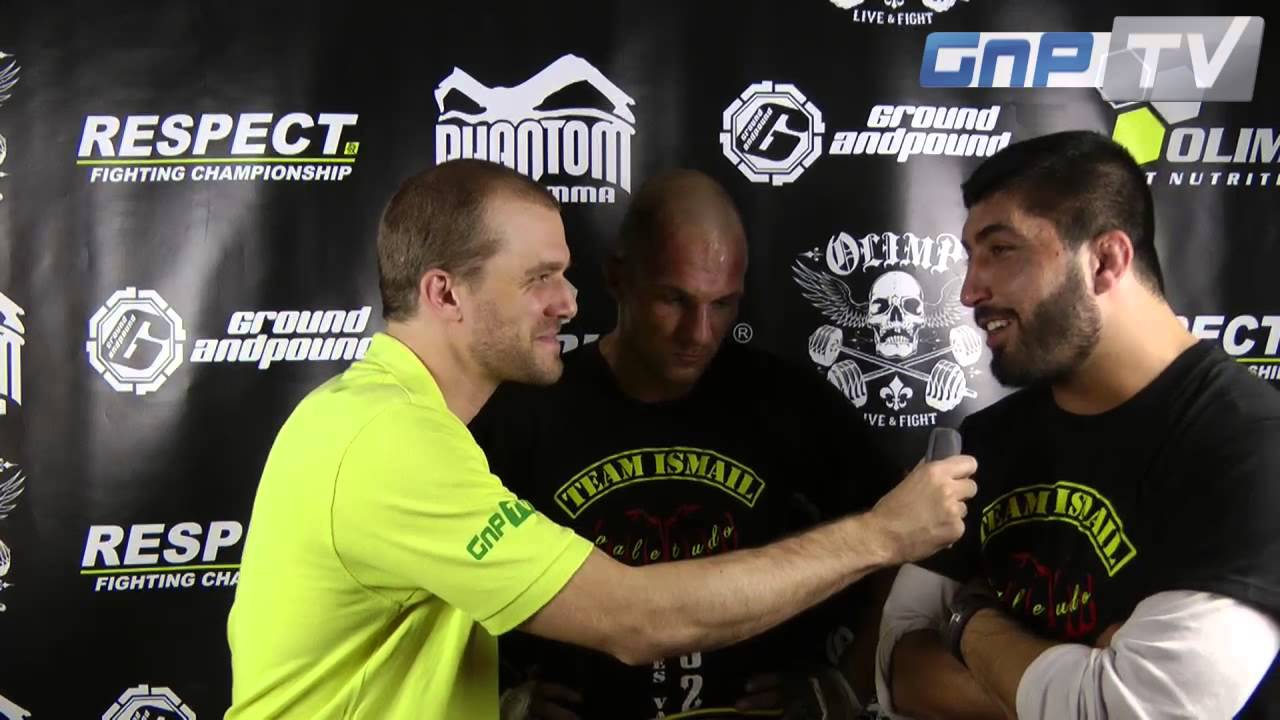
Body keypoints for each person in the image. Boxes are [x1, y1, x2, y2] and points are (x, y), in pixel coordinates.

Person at [224, 158, 977, 719]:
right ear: (445, 293)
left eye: (565, 274)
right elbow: (637, 618)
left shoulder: (393, 421)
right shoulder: (388, 440)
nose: (568, 300)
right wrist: (881, 534)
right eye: (539, 278)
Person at [874, 130, 1280, 719]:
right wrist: (1070, 682)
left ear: (1106, 261)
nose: (968, 290)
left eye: (1002, 249)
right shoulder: (984, 441)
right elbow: (899, 666)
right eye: (969, 256)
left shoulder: (1251, 447)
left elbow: (1128, 710)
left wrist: (967, 623)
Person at [470, 169, 900, 719]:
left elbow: (901, 539)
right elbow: (446, 577)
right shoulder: (526, 412)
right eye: (675, 299)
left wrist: (845, 684)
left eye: (722, 304)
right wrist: (499, 698)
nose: (698, 334)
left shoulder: (785, 403)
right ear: (618, 277)